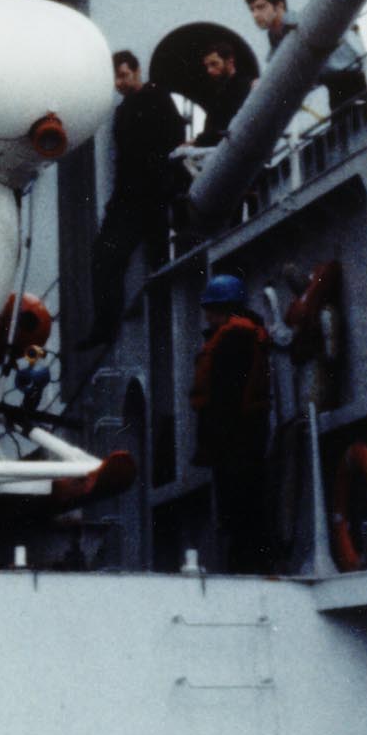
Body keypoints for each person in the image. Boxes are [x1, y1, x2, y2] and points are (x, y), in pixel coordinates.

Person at [90, 51, 186, 326]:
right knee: (106, 254)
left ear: (136, 71)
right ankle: (110, 321)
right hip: (132, 194)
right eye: (115, 79)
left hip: (154, 191)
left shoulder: (157, 97)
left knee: (156, 255)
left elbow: (174, 139)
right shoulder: (123, 110)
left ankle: (159, 313)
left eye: (123, 75)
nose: (119, 83)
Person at [189, 271, 273, 572]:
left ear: (224, 309)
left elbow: (226, 395)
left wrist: (214, 442)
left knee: (239, 503)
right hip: (245, 433)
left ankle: (247, 564)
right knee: (244, 502)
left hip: (236, 437)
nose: (208, 317)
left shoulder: (234, 338)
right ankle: (247, 560)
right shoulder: (242, 334)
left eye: (212, 310)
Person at [244, 0, 367, 115]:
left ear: (279, 6)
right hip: (332, 88)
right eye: (252, 10)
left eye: (261, 7)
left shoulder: (302, 23)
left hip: (350, 80)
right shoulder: (276, 42)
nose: (255, 15)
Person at [193, 41, 255, 146]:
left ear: (229, 61)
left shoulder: (242, 87)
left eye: (214, 64)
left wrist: (198, 141)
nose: (209, 70)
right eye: (207, 66)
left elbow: (226, 126)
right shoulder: (220, 90)